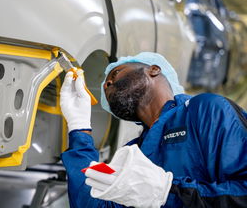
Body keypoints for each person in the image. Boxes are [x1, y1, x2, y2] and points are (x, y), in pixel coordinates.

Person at [60, 52, 247, 208]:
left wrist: (168, 192)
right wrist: (79, 126)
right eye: (105, 86)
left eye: (115, 73)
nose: (107, 84)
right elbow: (93, 204)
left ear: (154, 70)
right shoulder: (133, 153)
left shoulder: (205, 110)